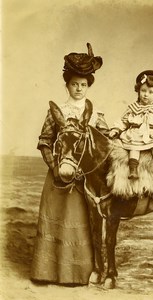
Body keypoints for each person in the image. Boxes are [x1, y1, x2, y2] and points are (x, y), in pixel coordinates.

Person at [31, 43, 108, 286]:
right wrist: (55, 168)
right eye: (74, 84)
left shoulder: (96, 114)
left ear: (89, 85)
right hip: (57, 179)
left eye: (83, 85)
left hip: (84, 181)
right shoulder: (57, 111)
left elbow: (105, 144)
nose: (78, 88)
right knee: (57, 220)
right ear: (67, 84)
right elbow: (45, 142)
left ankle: (77, 275)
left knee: (84, 223)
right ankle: (47, 273)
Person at [109, 70, 153, 180]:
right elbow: (123, 121)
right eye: (143, 91)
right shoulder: (133, 108)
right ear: (138, 91)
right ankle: (133, 170)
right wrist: (116, 129)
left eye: (150, 92)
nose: (146, 94)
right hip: (135, 134)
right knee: (134, 148)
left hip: (151, 134)